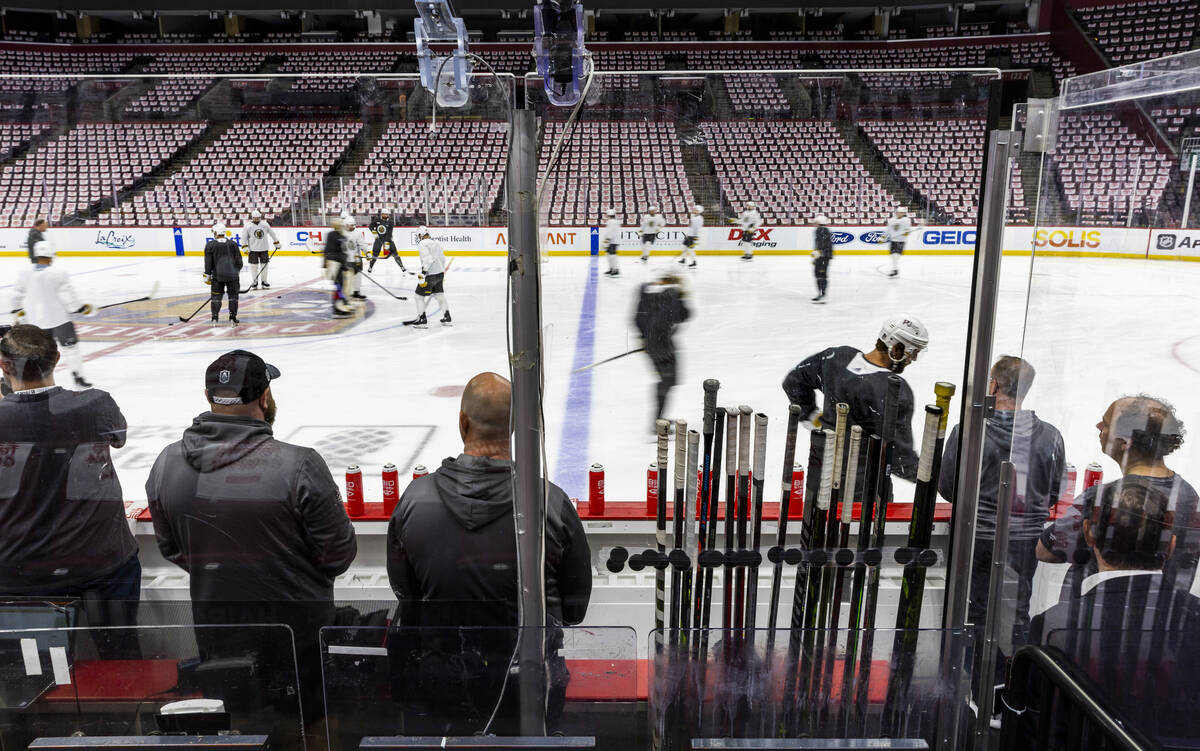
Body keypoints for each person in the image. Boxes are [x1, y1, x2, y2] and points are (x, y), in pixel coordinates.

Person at [145, 349, 357, 721]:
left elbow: (172, 549)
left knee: (239, 730)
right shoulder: (300, 465)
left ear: (209, 398)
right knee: (304, 731)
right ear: (264, 397)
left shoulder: (166, 462)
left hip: (218, 639)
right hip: (299, 643)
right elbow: (338, 555)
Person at [386, 371, 591, 734]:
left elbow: (408, 599)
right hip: (528, 688)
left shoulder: (413, 503)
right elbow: (574, 611)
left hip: (442, 689)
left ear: (463, 422)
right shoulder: (551, 504)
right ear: (514, 427)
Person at [1026, 480, 1200, 746]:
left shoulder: (1053, 627)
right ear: (1171, 546)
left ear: (1088, 533)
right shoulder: (1193, 616)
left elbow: (1040, 732)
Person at [0, 324, 139, 646]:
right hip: (101, 564)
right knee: (123, 661)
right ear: (57, 358)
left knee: (33, 674)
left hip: (19, 571)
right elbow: (117, 436)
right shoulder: (95, 405)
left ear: (5, 365)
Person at [938, 356, 1066, 690]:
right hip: (1025, 541)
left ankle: (979, 685)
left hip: (975, 537)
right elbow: (1053, 492)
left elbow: (948, 487)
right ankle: (1009, 686)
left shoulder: (969, 429)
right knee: (1017, 608)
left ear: (993, 385)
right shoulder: (1050, 435)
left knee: (974, 610)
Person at [1038, 396, 1198, 598]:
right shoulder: (1189, 496)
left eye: (1105, 424)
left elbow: (1045, 551)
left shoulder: (1102, 498)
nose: (1098, 426)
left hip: (1092, 617)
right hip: (1162, 615)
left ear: (1124, 442)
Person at [782, 314, 929, 481]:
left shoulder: (837, 357)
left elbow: (793, 382)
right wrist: (939, 478)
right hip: (863, 488)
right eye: (913, 352)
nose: (914, 359)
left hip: (820, 473)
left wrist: (813, 417)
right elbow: (900, 460)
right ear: (896, 348)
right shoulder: (893, 389)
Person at [12, 240, 93, 388]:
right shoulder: (59, 273)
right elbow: (69, 294)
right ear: (51, 255)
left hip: (36, 321)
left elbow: (16, 294)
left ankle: (34, 381)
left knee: (37, 353)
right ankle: (78, 377)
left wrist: (16, 310)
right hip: (60, 319)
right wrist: (80, 308)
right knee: (71, 348)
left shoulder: (24, 273)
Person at [635, 272, 690, 433]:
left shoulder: (645, 291)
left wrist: (643, 339)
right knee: (667, 380)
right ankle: (657, 424)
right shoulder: (671, 293)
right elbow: (684, 315)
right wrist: (682, 295)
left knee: (666, 379)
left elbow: (637, 319)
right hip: (663, 345)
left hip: (652, 345)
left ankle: (658, 420)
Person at [403, 226, 451, 328]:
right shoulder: (437, 243)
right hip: (440, 273)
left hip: (430, 274)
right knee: (439, 295)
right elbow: (443, 259)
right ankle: (447, 317)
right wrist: (441, 271)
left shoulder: (422, 243)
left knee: (418, 297)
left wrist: (423, 273)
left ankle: (422, 320)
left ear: (421, 235)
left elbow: (427, 259)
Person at [204, 222, 242, 327]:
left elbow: (208, 264)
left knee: (216, 298)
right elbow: (239, 262)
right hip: (233, 277)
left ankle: (214, 318)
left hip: (217, 277)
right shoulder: (233, 244)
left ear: (216, 232)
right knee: (233, 297)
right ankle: (232, 318)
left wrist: (207, 276)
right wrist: (235, 272)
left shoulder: (210, 245)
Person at [322, 213, 355, 318]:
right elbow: (331, 252)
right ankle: (338, 308)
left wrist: (344, 263)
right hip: (334, 265)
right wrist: (327, 264)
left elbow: (342, 252)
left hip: (338, 264)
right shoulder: (334, 236)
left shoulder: (341, 236)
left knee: (341, 286)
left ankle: (342, 304)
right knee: (339, 286)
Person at [240, 209, 280, 291]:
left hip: (264, 248)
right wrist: (244, 246)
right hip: (253, 249)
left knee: (264, 265)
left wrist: (276, 241)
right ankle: (254, 282)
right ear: (252, 217)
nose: (257, 219)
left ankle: (264, 281)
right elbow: (244, 237)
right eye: (255, 218)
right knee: (253, 266)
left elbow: (272, 233)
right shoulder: (248, 226)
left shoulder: (265, 224)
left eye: (258, 218)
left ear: (260, 217)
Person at [368, 207, 404, 272]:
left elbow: (389, 233)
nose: (385, 215)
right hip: (378, 239)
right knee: (375, 253)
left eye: (386, 214)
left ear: (388, 215)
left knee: (395, 253)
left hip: (388, 238)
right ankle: (370, 267)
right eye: (384, 214)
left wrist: (387, 242)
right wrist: (374, 233)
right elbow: (370, 226)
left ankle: (402, 267)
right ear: (381, 214)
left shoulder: (390, 222)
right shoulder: (377, 220)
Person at [343, 212, 368, 301]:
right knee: (347, 277)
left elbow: (362, 244)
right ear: (346, 225)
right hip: (346, 260)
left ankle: (356, 292)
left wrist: (367, 253)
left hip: (356, 259)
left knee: (357, 276)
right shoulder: (341, 233)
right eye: (351, 225)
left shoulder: (357, 233)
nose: (353, 227)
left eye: (354, 225)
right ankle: (346, 293)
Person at [884, 206, 913, 278]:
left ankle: (894, 270)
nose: (900, 213)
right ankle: (895, 269)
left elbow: (908, 230)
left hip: (901, 240)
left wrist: (907, 232)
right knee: (893, 256)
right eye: (899, 212)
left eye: (902, 212)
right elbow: (888, 229)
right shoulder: (891, 220)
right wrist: (883, 237)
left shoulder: (907, 220)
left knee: (896, 255)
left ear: (903, 213)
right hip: (893, 240)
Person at [811, 214, 833, 303]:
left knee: (819, 274)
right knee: (822, 274)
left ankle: (821, 293)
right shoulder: (825, 230)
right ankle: (822, 292)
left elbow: (822, 243)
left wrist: (818, 253)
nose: (815, 223)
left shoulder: (820, 230)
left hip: (822, 257)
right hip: (824, 256)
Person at [677, 204, 702, 269]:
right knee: (684, 247)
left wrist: (695, 237)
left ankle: (694, 262)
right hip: (689, 234)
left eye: (696, 210)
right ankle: (683, 259)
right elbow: (690, 225)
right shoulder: (693, 216)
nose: (694, 210)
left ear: (699, 211)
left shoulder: (700, 218)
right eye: (694, 209)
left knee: (691, 249)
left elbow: (698, 228)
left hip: (693, 236)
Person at [601, 208, 622, 277]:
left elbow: (610, 231)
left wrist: (607, 240)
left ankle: (615, 270)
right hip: (613, 240)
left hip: (612, 241)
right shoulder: (615, 221)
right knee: (609, 255)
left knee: (612, 255)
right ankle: (612, 268)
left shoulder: (610, 222)